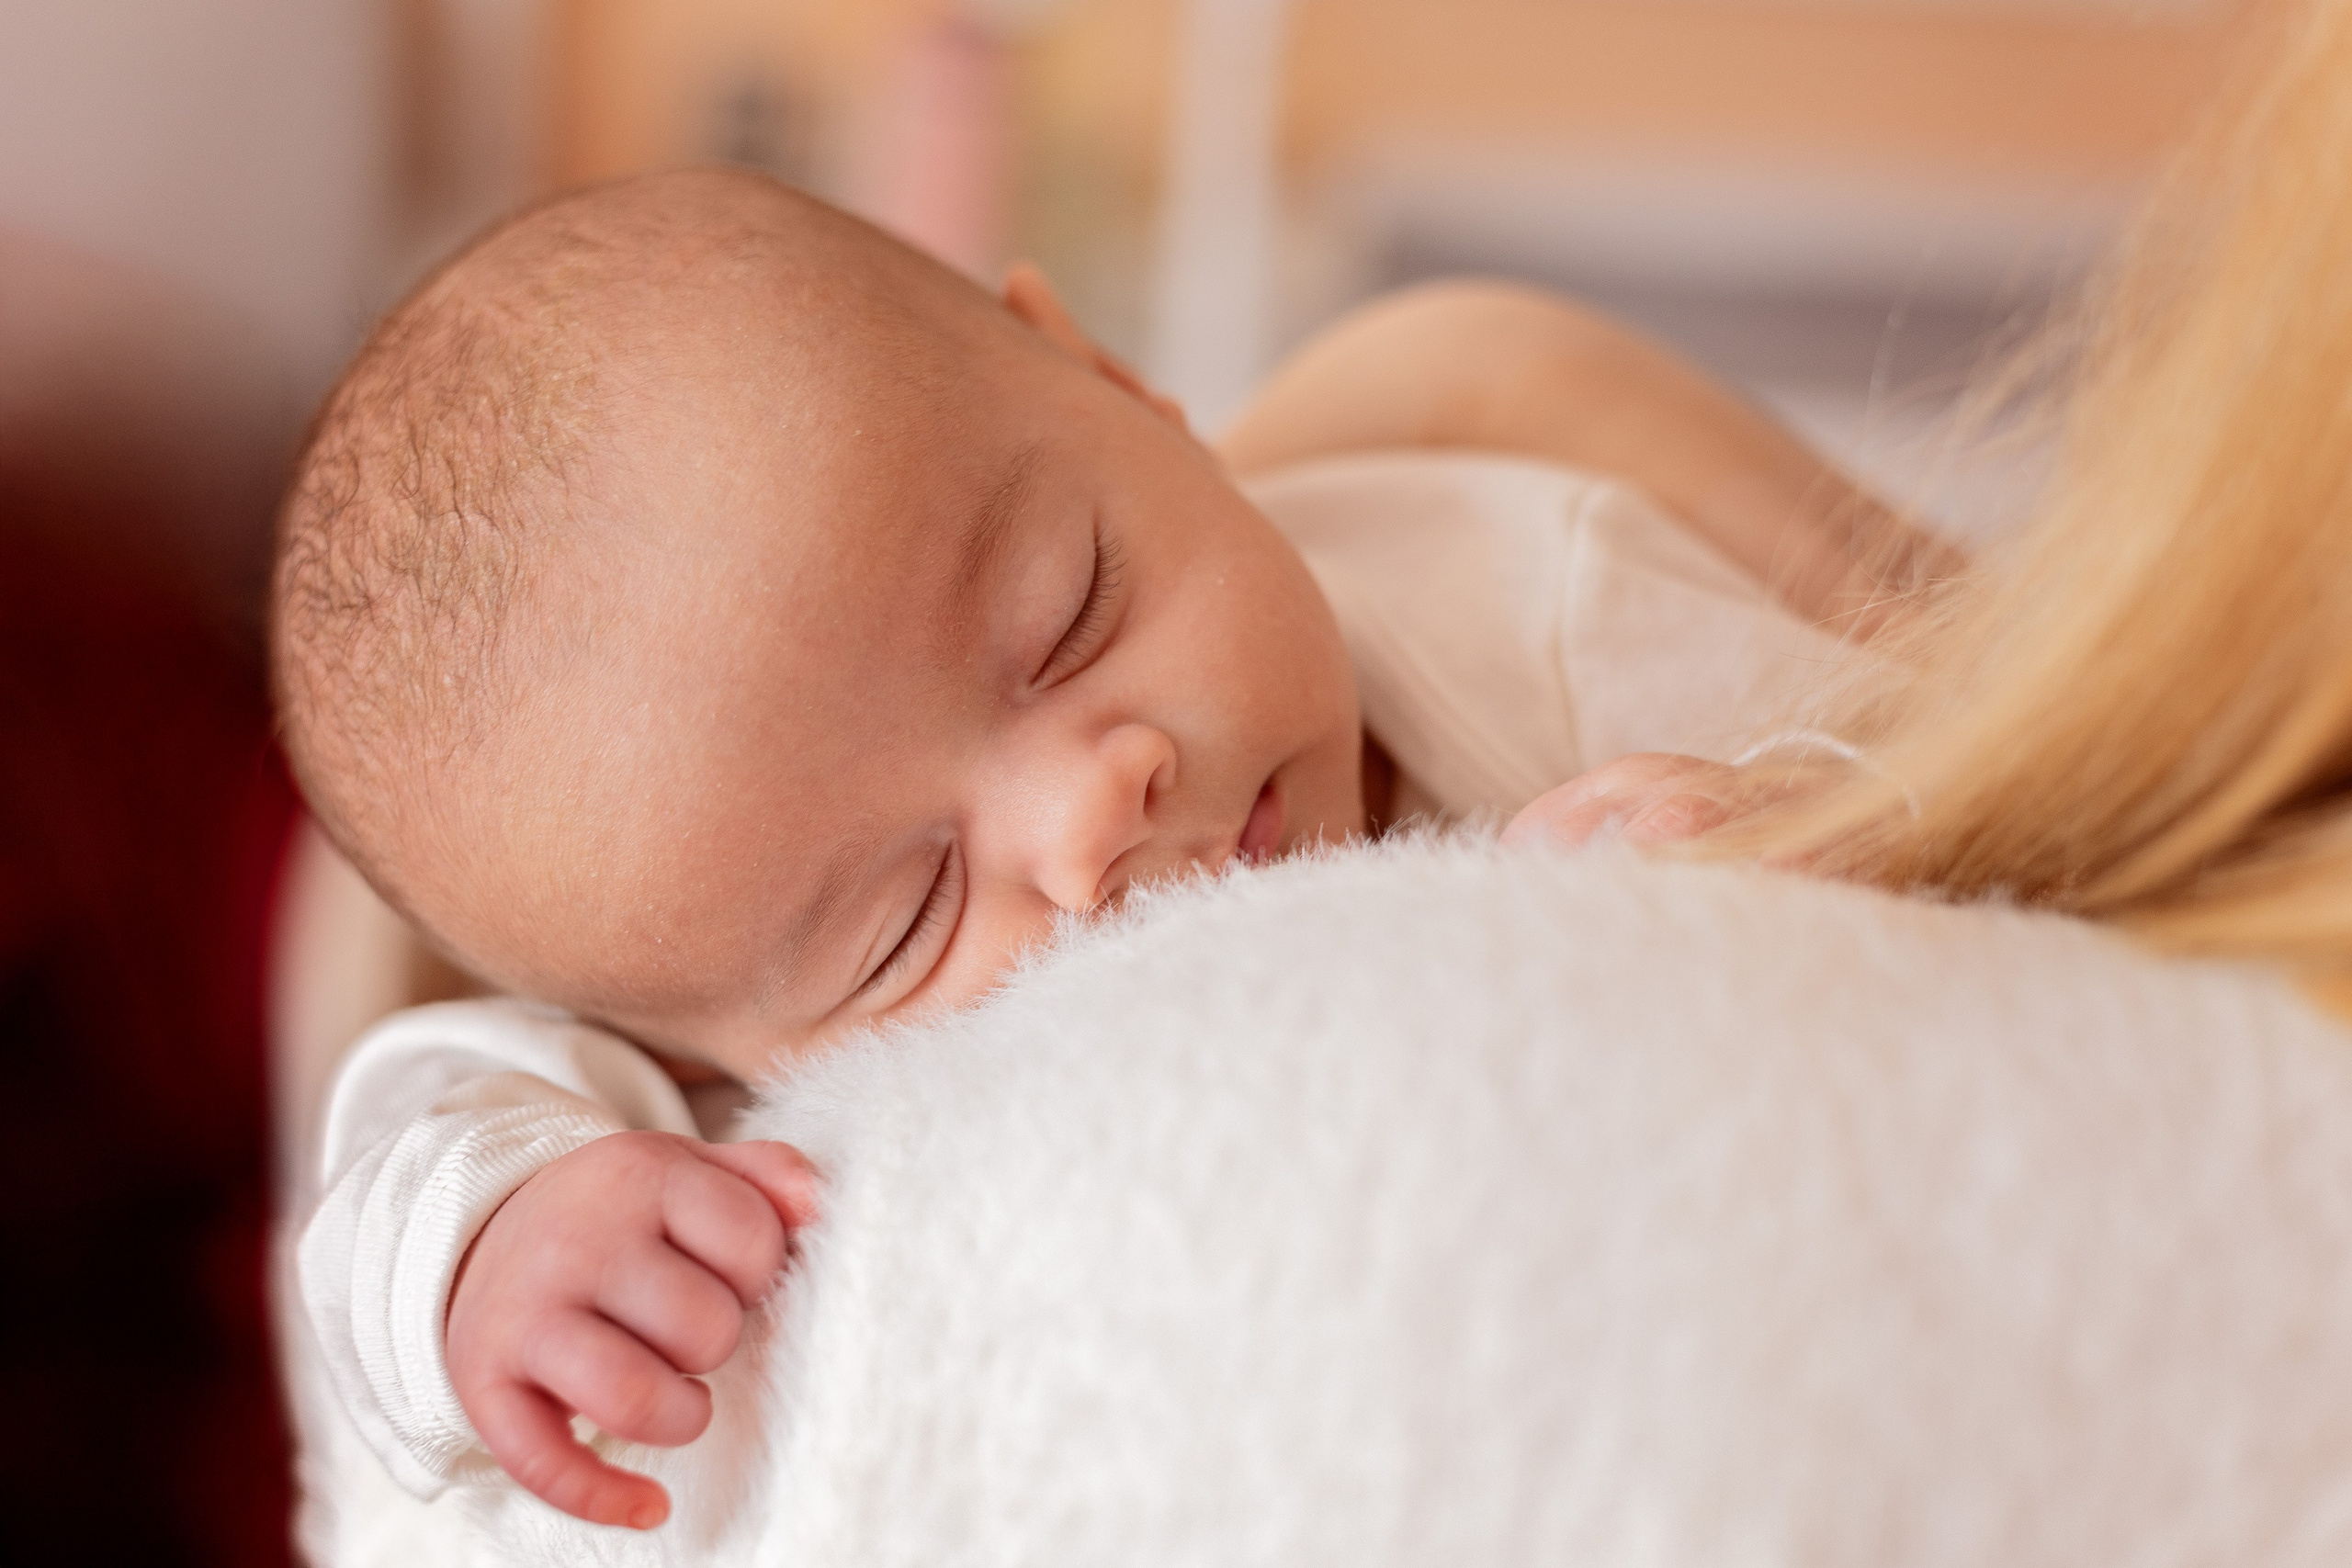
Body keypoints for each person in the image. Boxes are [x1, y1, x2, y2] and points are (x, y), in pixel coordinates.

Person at [276, 171, 1937, 1530]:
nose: (1089, 817)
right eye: (909, 914)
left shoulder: (1530, 594)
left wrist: (1791, 814)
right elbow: (414, 1158)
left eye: (1071, 614)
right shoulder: (713, 1122)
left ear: (1123, 390)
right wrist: (498, 1249)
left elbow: (2005, 765)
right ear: (708, 1058)